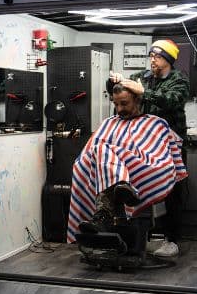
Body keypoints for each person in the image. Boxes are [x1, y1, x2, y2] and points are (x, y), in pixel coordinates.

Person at [69, 81, 188, 249]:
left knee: (103, 151)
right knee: (100, 151)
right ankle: (119, 187)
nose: (119, 109)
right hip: (108, 170)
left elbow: (161, 159)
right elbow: (88, 155)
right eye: (116, 104)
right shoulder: (108, 123)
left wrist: (123, 158)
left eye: (124, 103)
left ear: (138, 100)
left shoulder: (155, 123)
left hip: (144, 168)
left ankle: (104, 214)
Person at [107, 38, 190, 257]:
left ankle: (172, 240)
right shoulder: (142, 77)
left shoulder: (179, 79)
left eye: (158, 56)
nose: (152, 60)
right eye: (151, 56)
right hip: (143, 143)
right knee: (136, 185)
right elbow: (122, 93)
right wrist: (116, 82)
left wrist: (143, 92)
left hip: (170, 144)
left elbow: (172, 100)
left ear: (169, 60)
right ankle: (137, 234)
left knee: (172, 191)